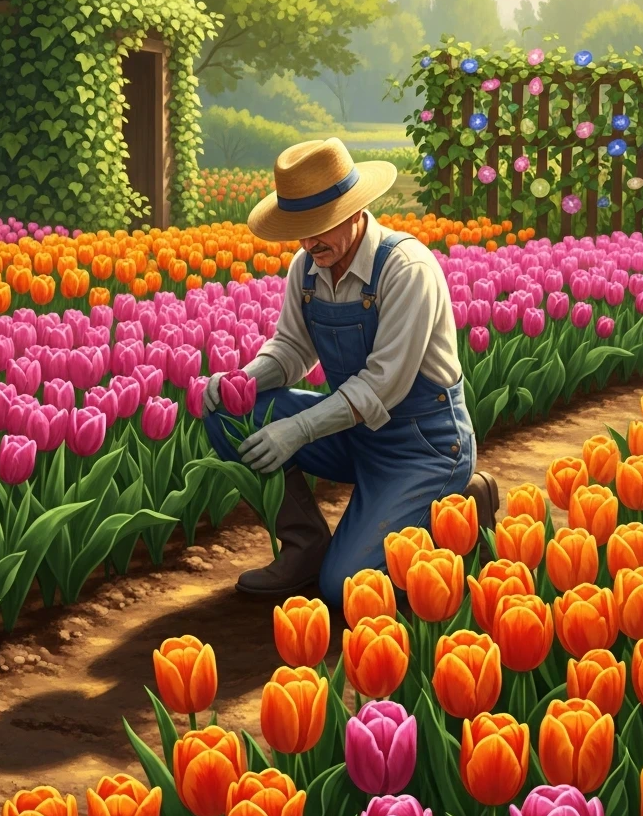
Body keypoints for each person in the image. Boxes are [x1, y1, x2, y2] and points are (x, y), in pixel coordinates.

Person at [202, 136, 498, 603]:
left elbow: (383, 384)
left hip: (423, 446)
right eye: (299, 227)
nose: (307, 240)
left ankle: (460, 504)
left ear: (356, 210)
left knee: (347, 590)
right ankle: (305, 546)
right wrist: (243, 380)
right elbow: (291, 349)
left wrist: (297, 430)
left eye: (320, 225)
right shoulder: (307, 267)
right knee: (230, 415)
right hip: (355, 434)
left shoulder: (406, 268)